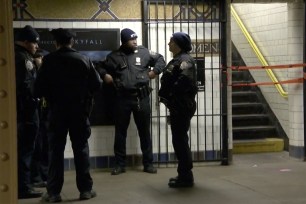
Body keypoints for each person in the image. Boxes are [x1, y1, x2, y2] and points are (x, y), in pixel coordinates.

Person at [34, 28, 102, 202]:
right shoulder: (84, 59)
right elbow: (96, 85)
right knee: (81, 150)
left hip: (56, 112)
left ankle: (54, 192)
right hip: (79, 112)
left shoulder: (48, 61)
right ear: (72, 42)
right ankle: (85, 190)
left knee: (55, 151)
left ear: (56, 43)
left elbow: (37, 89)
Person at [97, 28, 165, 175]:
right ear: (124, 41)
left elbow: (160, 59)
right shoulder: (114, 56)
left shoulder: (144, 52)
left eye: (136, 39)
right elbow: (100, 66)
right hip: (122, 98)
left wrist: (155, 72)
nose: (135, 41)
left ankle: (148, 164)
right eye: (131, 39)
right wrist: (104, 75)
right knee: (120, 133)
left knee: (144, 132)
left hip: (141, 98)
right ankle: (120, 165)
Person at [158, 32, 198, 188]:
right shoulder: (178, 60)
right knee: (179, 140)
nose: (169, 44)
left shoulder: (185, 61)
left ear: (178, 44)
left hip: (181, 105)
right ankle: (184, 174)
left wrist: (171, 93)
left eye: (171, 42)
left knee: (180, 141)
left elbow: (185, 81)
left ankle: (186, 176)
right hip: (177, 105)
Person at [14, 25, 43, 199]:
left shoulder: (18, 55)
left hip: (23, 110)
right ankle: (24, 188)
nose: (36, 47)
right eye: (34, 43)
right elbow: (27, 86)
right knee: (26, 149)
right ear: (25, 42)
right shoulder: (24, 58)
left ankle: (26, 183)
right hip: (27, 111)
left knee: (27, 148)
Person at [30, 51, 48, 188]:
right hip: (34, 113)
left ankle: (44, 174)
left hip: (45, 115)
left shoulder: (46, 71)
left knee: (44, 146)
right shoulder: (31, 72)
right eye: (38, 58)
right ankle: (35, 176)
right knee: (36, 146)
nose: (40, 60)